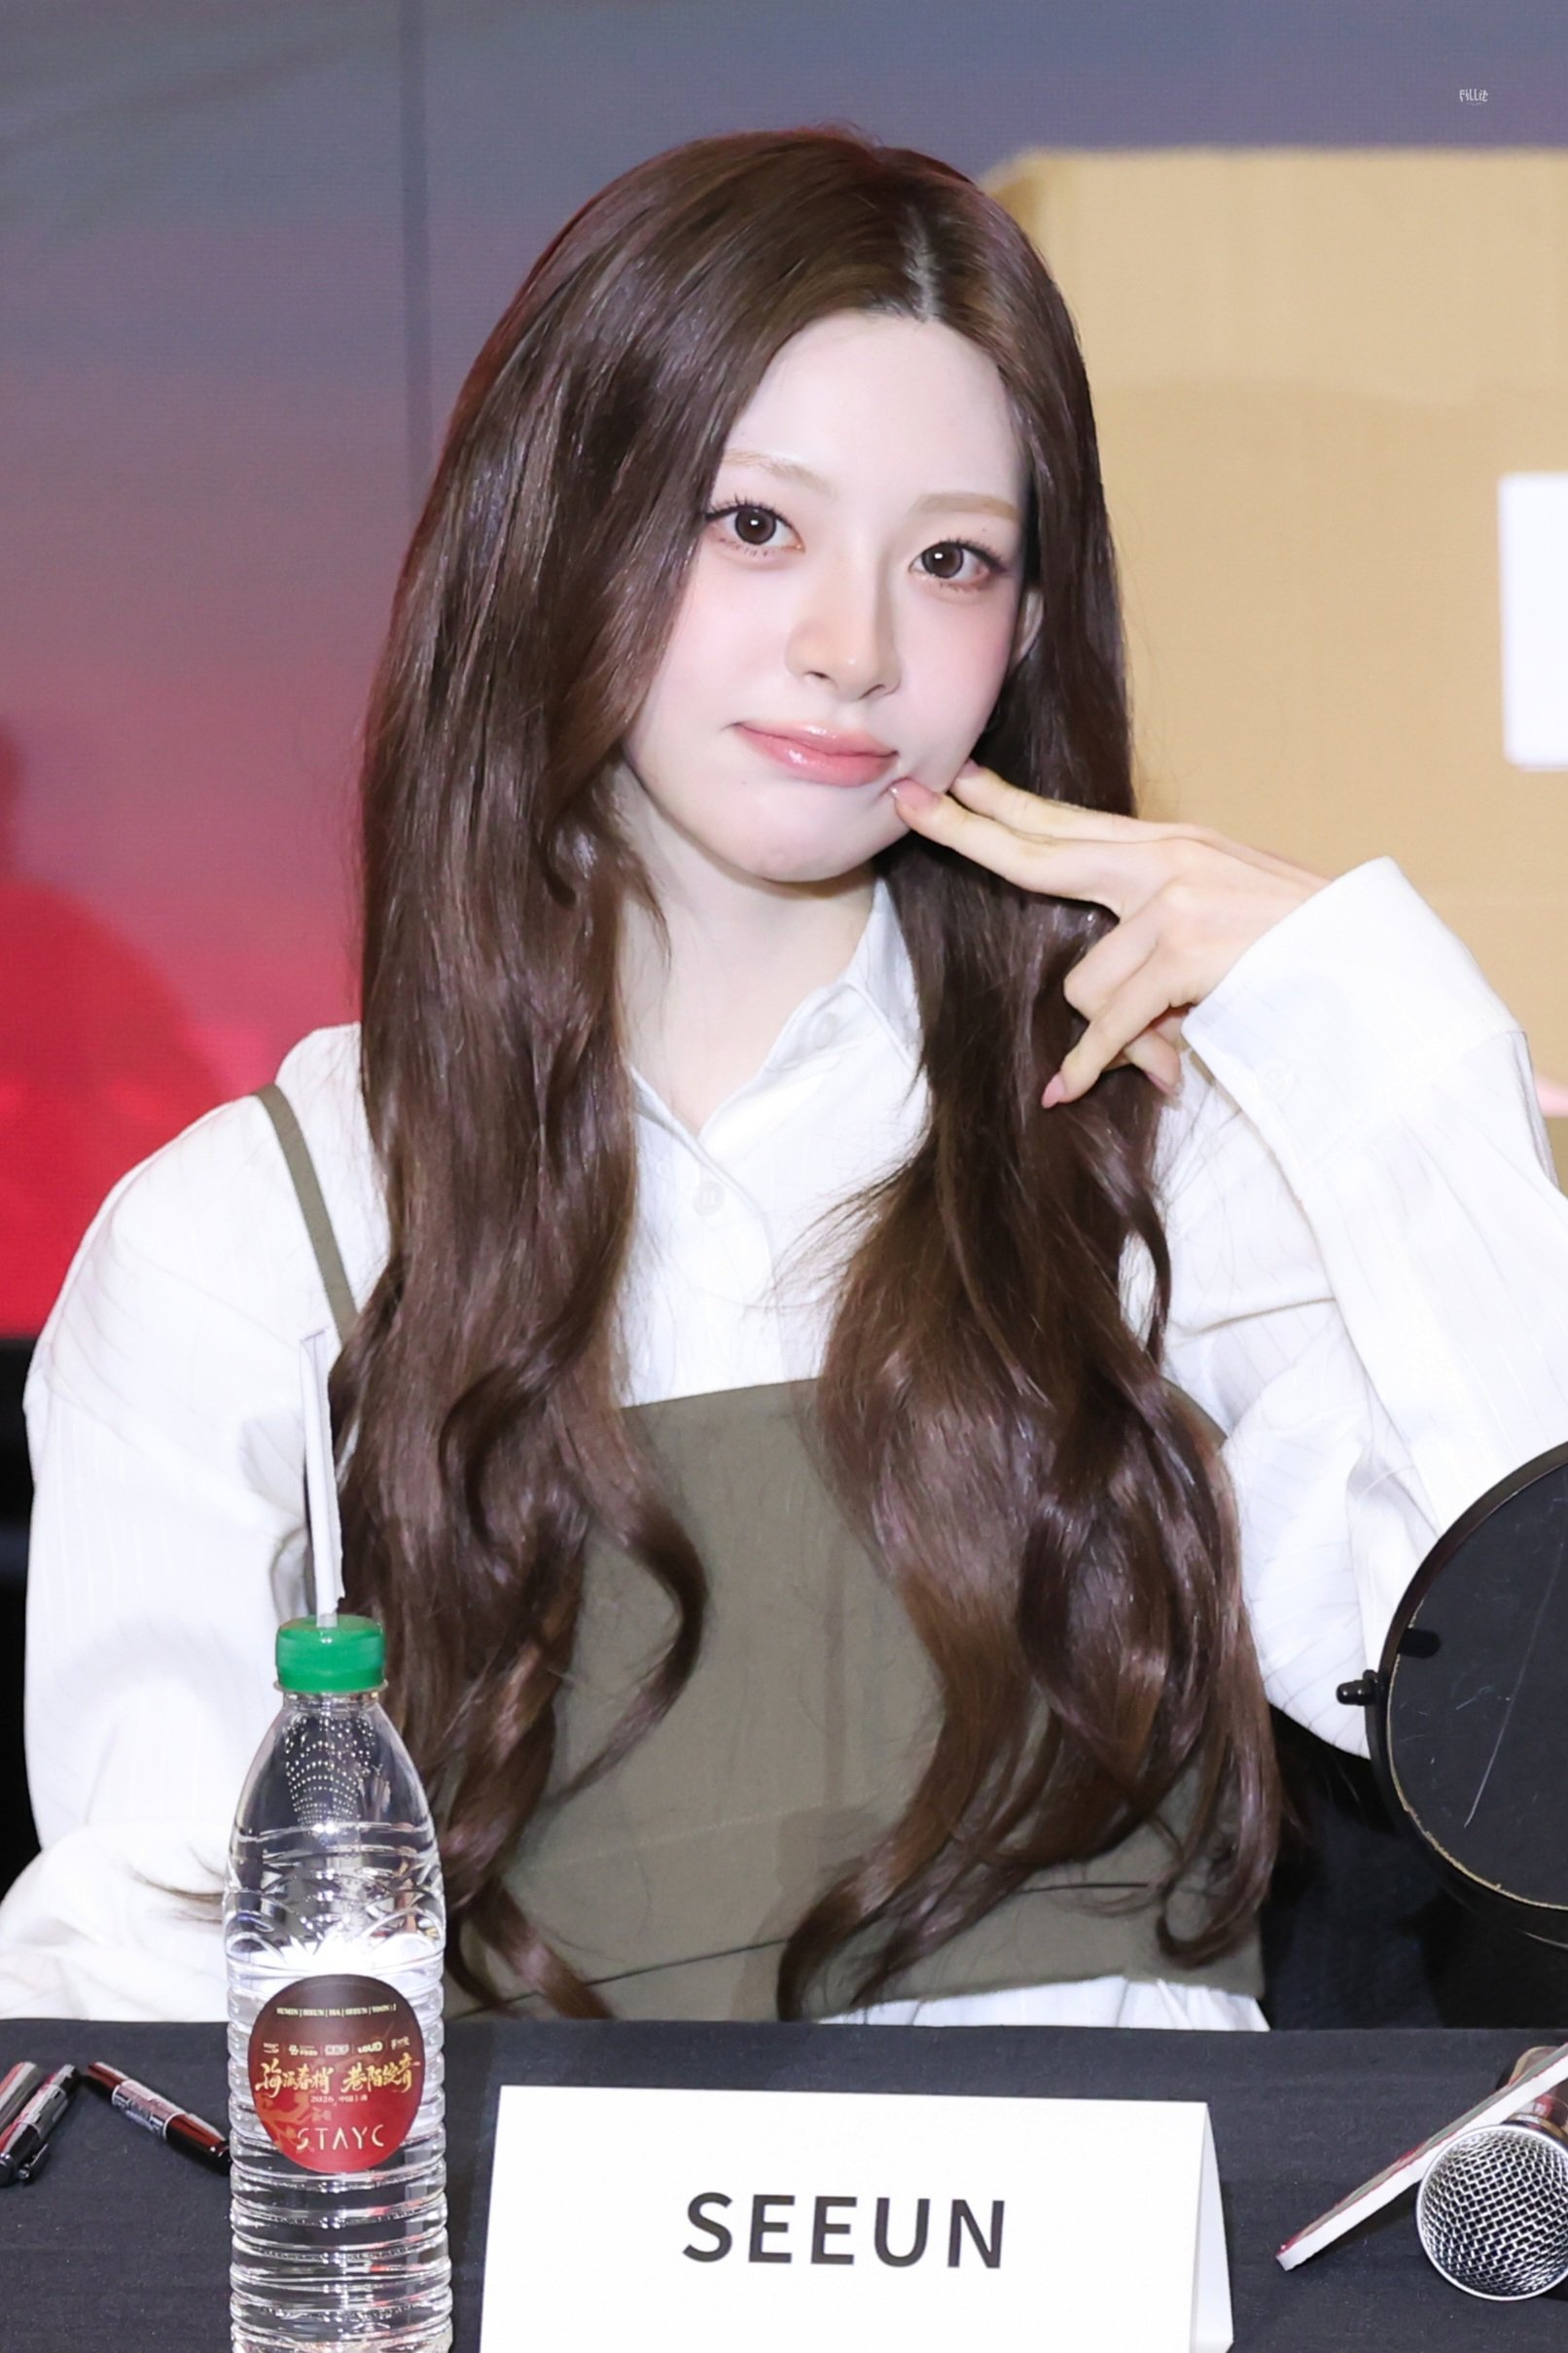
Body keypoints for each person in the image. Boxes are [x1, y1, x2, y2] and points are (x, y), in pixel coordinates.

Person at [4, 125, 1567, 2028]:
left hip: (1152, 2221)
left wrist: (1380, 1033)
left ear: (1025, 625)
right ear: (560, 530)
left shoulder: (1168, 1152)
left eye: (951, 559)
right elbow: (148, 2018)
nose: (854, 647)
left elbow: (1535, 1733)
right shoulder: (251, 1241)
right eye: (755, 526)